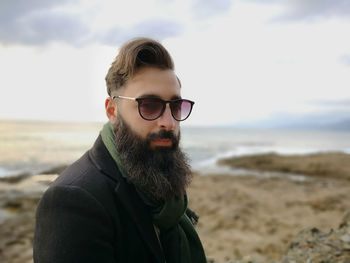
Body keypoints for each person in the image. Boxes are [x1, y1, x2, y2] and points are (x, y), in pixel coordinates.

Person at [33, 37, 207, 263]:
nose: (168, 122)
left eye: (175, 106)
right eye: (149, 105)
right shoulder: (72, 201)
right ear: (112, 110)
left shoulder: (159, 188)